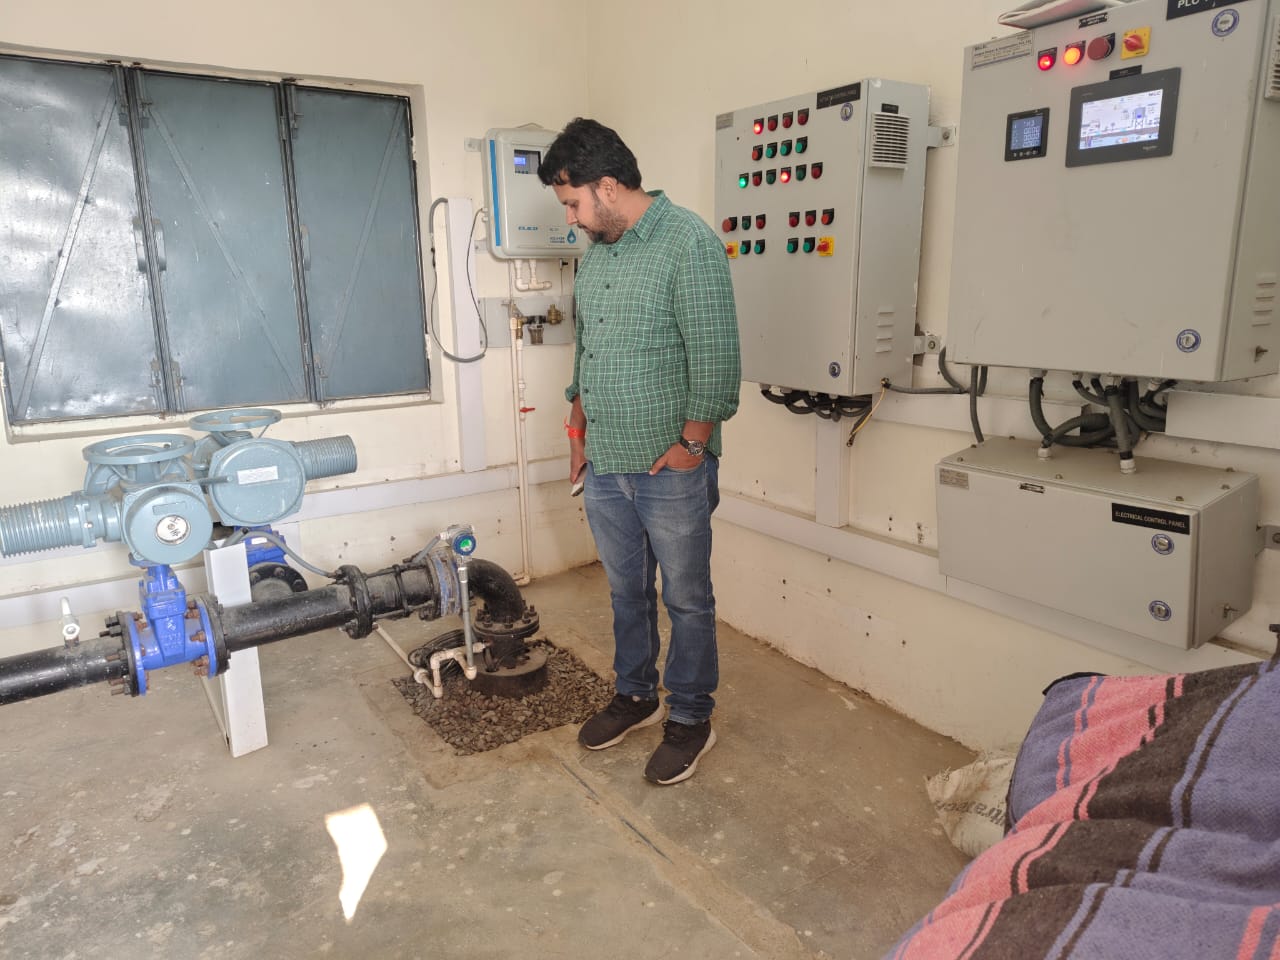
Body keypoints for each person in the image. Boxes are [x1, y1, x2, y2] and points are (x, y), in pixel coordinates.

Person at [537, 118, 741, 786]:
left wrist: (692, 446)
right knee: (626, 591)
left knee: (686, 598)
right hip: (606, 461)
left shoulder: (689, 244)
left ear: (607, 186)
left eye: (573, 203)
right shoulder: (599, 253)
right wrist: (577, 434)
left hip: (670, 467)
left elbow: (717, 359)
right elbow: (587, 351)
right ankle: (635, 695)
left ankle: (691, 716)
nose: (571, 219)